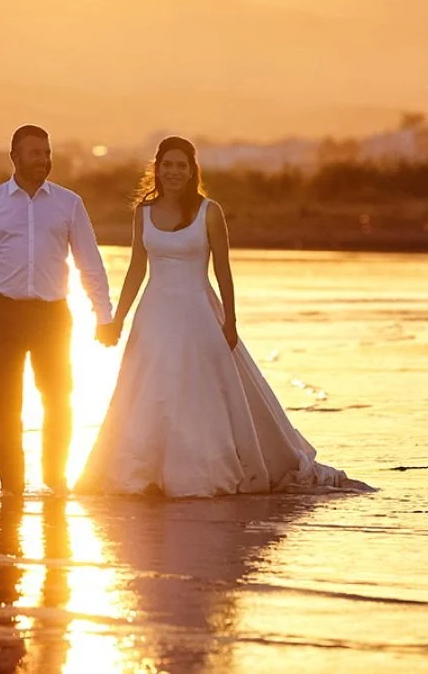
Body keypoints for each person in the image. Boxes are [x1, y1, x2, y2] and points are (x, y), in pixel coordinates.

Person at [76, 136, 370, 498]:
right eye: (167, 164)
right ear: (157, 168)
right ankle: (146, 473)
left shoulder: (208, 211)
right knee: (150, 393)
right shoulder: (144, 212)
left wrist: (230, 321)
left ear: (191, 170)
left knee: (202, 392)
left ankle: (202, 468)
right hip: (153, 314)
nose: (173, 172)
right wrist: (117, 318)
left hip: (199, 312)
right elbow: (137, 267)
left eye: (181, 165)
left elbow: (223, 271)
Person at [0, 124, 116, 496]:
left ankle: (54, 479)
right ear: (14, 157)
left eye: (47, 153)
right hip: (4, 313)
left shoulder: (69, 203)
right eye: (35, 153)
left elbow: (89, 264)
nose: (43, 160)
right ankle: (12, 488)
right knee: (5, 406)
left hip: (52, 315)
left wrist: (104, 315)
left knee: (59, 398)